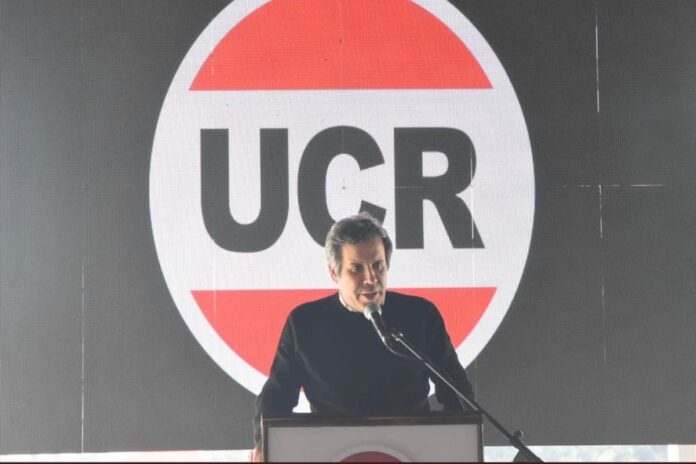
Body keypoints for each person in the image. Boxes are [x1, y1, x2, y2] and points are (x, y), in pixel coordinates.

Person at [250, 213, 474, 461]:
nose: (371, 279)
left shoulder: (420, 315)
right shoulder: (305, 322)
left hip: (410, 451)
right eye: (356, 268)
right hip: (332, 451)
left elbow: (456, 389)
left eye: (378, 266)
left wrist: (464, 443)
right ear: (334, 273)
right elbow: (277, 395)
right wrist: (264, 443)